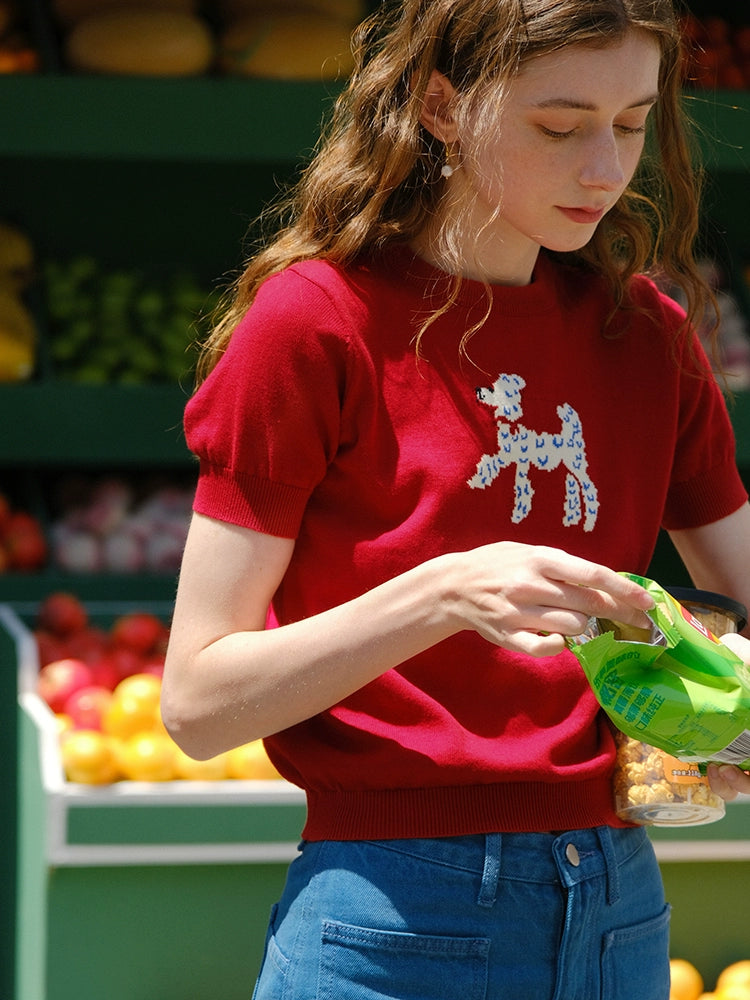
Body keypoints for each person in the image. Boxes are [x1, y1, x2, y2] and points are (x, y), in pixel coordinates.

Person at [161, 1, 750, 997]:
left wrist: (724, 700)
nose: (606, 169)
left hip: (622, 911)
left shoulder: (649, 337)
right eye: (560, 127)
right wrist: (439, 594)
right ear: (442, 104)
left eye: (633, 123)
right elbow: (197, 703)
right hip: (393, 918)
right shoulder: (315, 324)